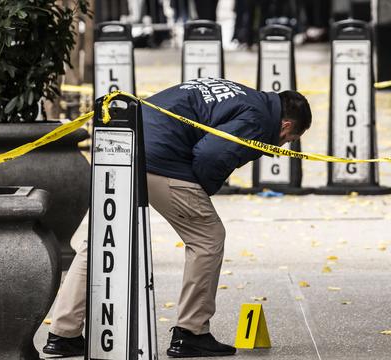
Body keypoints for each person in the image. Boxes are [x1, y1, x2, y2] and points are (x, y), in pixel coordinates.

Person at [42, 77, 312, 358]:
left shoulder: (241, 95)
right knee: (208, 237)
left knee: (102, 240)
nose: (282, 146)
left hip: (123, 148)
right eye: (288, 141)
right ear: (286, 126)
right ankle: (191, 333)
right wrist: (202, 189)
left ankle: (63, 334)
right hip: (161, 160)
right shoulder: (257, 119)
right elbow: (211, 155)